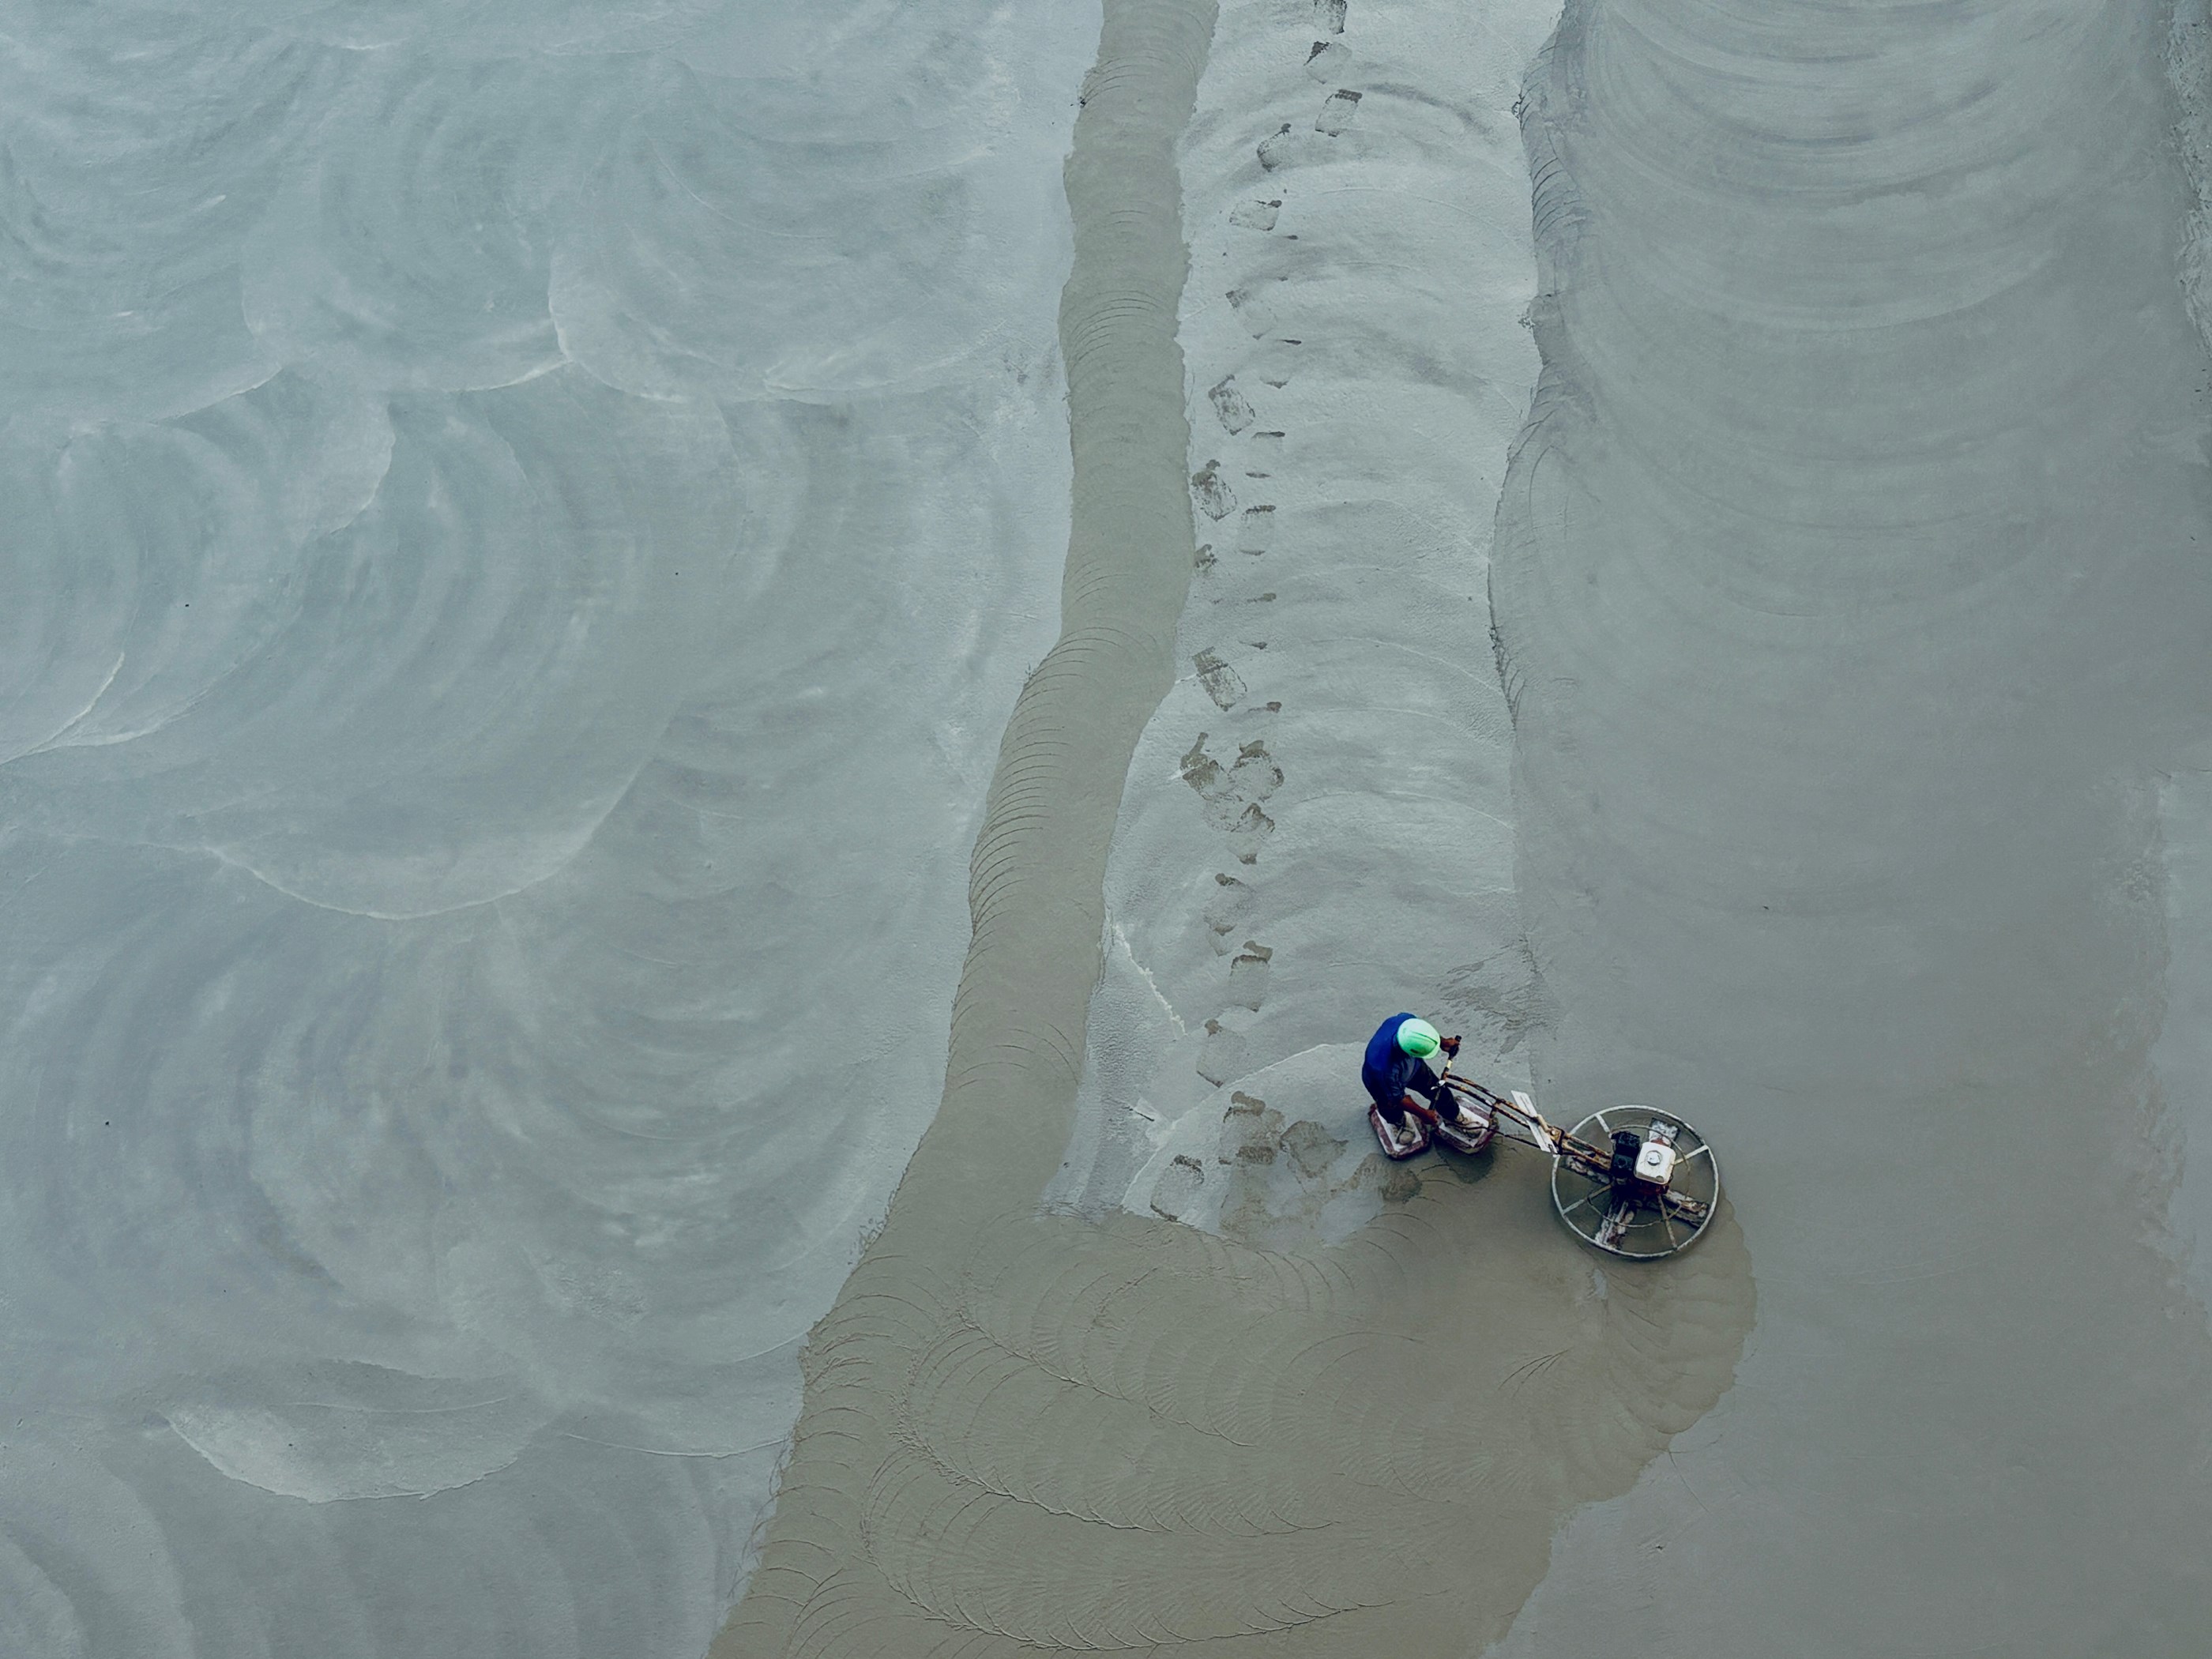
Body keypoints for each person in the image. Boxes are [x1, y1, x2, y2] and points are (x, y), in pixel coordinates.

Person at [1361, 1014, 1468, 1150]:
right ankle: (1398, 1122)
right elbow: (1398, 1098)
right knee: (1389, 1106)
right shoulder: (1382, 1069)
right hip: (1379, 1083)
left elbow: (1424, 1033)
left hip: (1413, 1067)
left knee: (1439, 1091)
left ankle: (1453, 1115)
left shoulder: (1407, 1021)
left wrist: (1442, 1042)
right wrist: (1423, 1114)